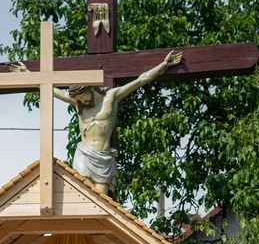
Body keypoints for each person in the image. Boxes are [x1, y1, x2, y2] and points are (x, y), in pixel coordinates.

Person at [53, 50, 182, 194]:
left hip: (103, 157)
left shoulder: (111, 97)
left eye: (83, 97)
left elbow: (141, 80)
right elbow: (52, 89)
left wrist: (164, 65)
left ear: (91, 89)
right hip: (84, 154)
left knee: (101, 200)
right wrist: (28, 75)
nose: (81, 101)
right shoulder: (78, 103)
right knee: (84, 195)